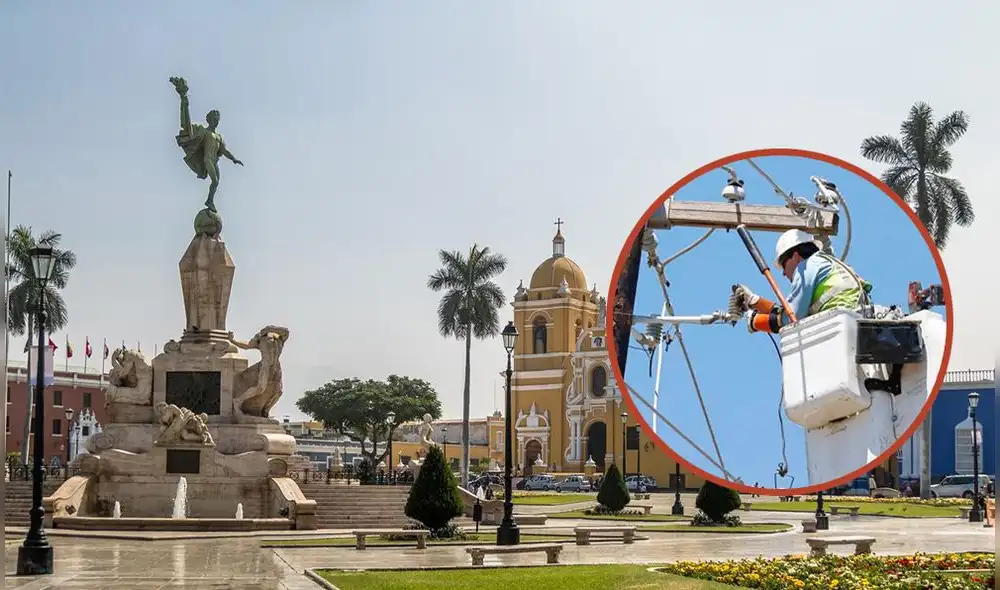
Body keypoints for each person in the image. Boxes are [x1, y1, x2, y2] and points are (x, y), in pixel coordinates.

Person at [731, 229, 873, 334]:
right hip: (859, 324)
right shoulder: (827, 263)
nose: (784, 273)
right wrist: (754, 301)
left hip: (839, 326)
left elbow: (791, 319)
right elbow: (788, 311)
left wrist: (755, 322)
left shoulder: (805, 268)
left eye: (784, 264)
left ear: (796, 256)